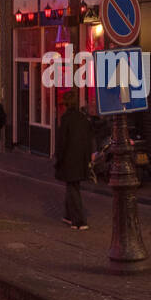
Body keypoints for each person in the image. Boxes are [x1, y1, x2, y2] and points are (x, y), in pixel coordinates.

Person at [55, 91, 91, 230]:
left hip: (69, 160)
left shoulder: (66, 119)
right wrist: (87, 158)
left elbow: (62, 142)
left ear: (66, 104)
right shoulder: (83, 118)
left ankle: (79, 221)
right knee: (72, 186)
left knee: (72, 188)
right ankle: (68, 216)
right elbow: (88, 140)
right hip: (81, 159)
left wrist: (59, 158)